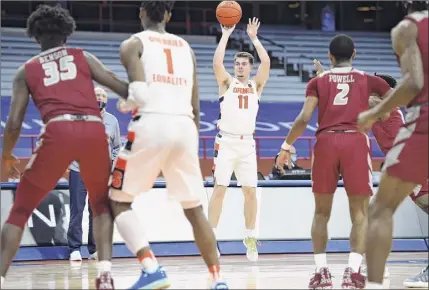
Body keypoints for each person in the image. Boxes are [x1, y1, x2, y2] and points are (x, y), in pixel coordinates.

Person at [0, 4, 128, 289]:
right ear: (67, 34)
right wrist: (133, 98)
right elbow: (120, 86)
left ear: (35, 37)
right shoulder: (84, 57)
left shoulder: (26, 71)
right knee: (101, 207)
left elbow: (14, 123)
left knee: (19, 211)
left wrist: (7, 155)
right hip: (94, 130)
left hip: (58, 130)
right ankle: (104, 275)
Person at [108, 2, 228, 289]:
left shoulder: (132, 44)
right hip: (185, 126)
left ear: (141, 13)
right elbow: (195, 105)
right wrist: (189, 140)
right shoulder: (186, 48)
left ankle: (151, 267)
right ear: (169, 16)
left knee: (118, 200)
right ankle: (218, 280)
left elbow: (139, 93)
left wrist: (125, 103)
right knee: (195, 209)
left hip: (151, 123)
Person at [276, 34, 392, 289]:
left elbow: (304, 117)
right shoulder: (367, 79)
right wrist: (374, 111)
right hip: (355, 140)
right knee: (360, 214)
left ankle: (321, 272)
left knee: (320, 212)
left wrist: (286, 146)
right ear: (354, 55)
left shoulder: (319, 81)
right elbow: (395, 99)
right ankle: (353, 272)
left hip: (326, 142)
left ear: (330, 57)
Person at [357, 1, 428, 287]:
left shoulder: (408, 29)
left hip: (418, 141)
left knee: (379, 210)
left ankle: (374, 282)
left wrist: (371, 113)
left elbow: (412, 84)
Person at [208, 17, 270, 262]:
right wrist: (226, 34)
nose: (240, 67)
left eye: (244, 64)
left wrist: (254, 38)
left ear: (250, 67)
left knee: (250, 192)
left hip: (247, 144)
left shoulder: (257, 85)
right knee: (219, 190)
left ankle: (251, 238)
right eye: (238, 63)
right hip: (226, 142)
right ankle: (211, 239)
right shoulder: (226, 83)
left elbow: (266, 61)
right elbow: (216, 62)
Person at [68, 87, 121, 261]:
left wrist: (112, 163)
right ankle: (74, 248)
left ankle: (93, 249)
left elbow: (116, 147)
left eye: (103, 96)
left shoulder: (112, 121)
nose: (100, 98)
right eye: (97, 95)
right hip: (79, 170)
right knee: (77, 209)